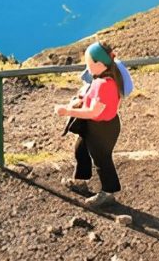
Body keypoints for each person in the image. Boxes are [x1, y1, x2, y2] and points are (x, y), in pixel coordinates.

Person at [55, 41, 125, 207]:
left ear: (99, 64)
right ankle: (81, 180)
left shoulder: (103, 84)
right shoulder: (108, 77)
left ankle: (108, 193)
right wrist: (82, 100)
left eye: (88, 63)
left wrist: (67, 111)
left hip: (102, 129)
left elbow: (94, 112)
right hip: (98, 125)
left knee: (102, 160)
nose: (86, 67)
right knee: (81, 150)